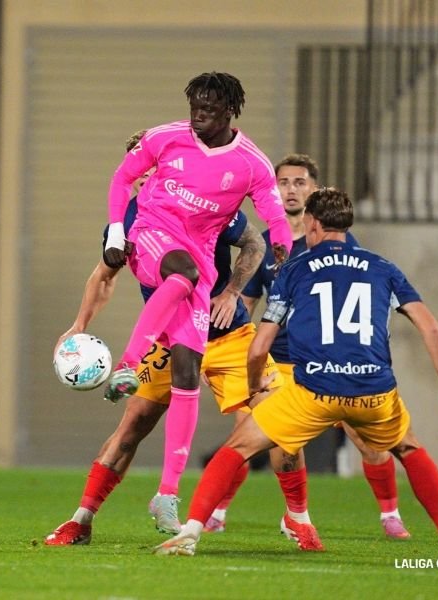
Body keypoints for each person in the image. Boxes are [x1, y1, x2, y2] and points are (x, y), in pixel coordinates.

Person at [155, 188, 438, 562]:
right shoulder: (383, 267)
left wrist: (256, 381)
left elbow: (260, 346)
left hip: (313, 392)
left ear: (313, 223)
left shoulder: (294, 269)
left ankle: (190, 533)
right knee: (408, 448)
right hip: (373, 392)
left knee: (237, 448)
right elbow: (431, 328)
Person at [47, 130, 287, 545]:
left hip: (229, 337)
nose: (139, 180)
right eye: (133, 175)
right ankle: (81, 519)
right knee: (132, 425)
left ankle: (297, 519)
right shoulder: (128, 222)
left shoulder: (207, 202)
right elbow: (103, 276)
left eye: (144, 171)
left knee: (276, 422)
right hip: (169, 339)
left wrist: (231, 293)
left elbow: (253, 244)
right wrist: (79, 325)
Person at [100, 74, 292, 521]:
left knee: (187, 375)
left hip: (200, 271)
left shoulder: (251, 164)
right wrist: (115, 232)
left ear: (229, 111)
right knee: (180, 272)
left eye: (208, 110)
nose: (198, 116)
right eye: (194, 108)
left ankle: (167, 495)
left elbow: (272, 217)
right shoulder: (164, 139)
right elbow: (120, 178)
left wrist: (282, 249)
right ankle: (127, 364)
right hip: (150, 240)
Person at [241, 153, 411, 541]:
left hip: (332, 361)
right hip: (280, 361)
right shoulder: (266, 245)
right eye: (283, 182)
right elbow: (249, 304)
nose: (290, 189)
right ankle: (288, 515)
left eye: (299, 182)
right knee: (269, 439)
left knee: (366, 439)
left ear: (314, 190)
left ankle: (390, 513)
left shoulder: (341, 241)